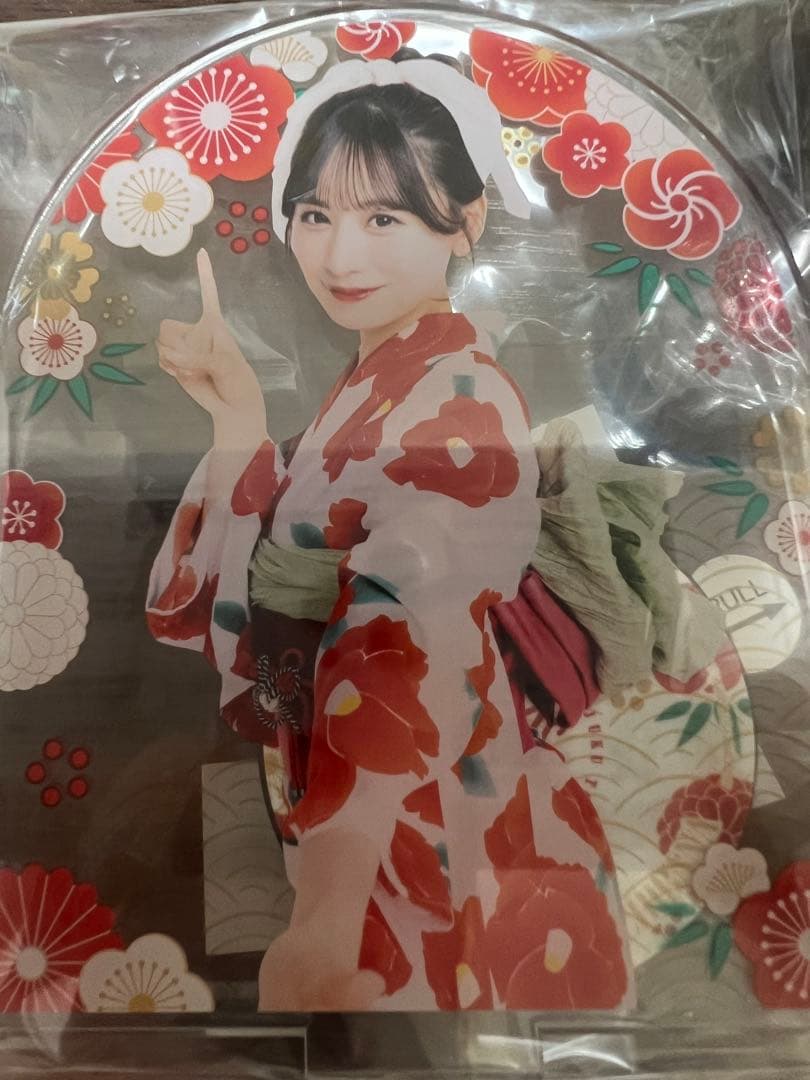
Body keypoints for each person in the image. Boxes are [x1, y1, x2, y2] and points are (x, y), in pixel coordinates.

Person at [147, 54, 638, 1011]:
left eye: (384, 219)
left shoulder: (460, 398)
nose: (341, 257)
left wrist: (326, 917)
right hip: (375, 806)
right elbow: (276, 598)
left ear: (466, 222)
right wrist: (238, 419)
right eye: (316, 215)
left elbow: (404, 643)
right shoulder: (381, 381)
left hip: (428, 821)